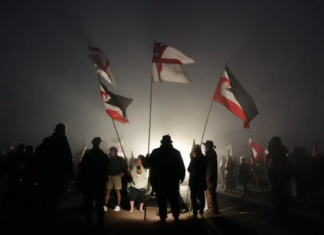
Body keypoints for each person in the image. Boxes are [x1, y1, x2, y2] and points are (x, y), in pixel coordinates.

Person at [35, 123, 74, 223]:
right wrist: (71, 174)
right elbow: (68, 158)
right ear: (63, 131)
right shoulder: (62, 141)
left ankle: (42, 217)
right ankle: (50, 219)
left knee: (45, 197)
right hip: (58, 175)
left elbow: (38, 155)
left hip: (46, 174)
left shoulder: (47, 141)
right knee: (55, 198)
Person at [144, 135, 185, 225]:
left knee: (161, 200)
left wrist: (146, 159)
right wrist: (182, 176)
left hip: (159, 180)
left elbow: (147, 166)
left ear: (161, 142)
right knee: (174, 199)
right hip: (172, 180)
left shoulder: (156, 152)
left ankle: (163, 219)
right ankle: (176, 218)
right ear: (170, 142)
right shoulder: (175, 152)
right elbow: (181, 166)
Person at [78, 137, 109, 227]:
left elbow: (81, 168)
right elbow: (106, 169)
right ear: (100, 144)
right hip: (98, 182)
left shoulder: (87, 156)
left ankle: (88, 222)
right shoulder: (103, 156)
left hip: (88, 182)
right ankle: (100, 223)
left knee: (88, 204)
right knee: (99, 203)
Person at [266, 136, 290, 219]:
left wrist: (269, 173)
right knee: (280, 194)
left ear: (276, 143)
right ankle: (282, 211)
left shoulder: (277, 153)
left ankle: (280, 214)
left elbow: (275, 166)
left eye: (272, 142)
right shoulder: (280, 151)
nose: (271, 144)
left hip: (278, 178)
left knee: (278, 195)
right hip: (280, 177)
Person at [104, 146, 127, 212]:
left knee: (118, 191)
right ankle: (105, 204)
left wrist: (123, 172)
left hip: (117, 176)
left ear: (115, 152)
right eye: (110, 151)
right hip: (110, 176)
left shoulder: (120, 159)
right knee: (108, 191)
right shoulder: (108, 159)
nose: (111, 152)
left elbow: (125, 166)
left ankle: (118, 205)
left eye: (112, 151)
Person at [188, 145, 207, 219]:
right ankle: (201, 212)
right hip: (202, 180)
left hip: (194, 181)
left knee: (193, 197)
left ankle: (195, 213)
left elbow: (189, 169)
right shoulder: (204, 158)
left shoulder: (195, 159)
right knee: (201, 197)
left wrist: (192, 159)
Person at [203, 140, 219, 213]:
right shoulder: (210, 153)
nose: (205, 147)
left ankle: (213, 208)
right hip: (210, 175)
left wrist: (209, 175)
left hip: (210, 176)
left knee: (211, 192)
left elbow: (211, 166)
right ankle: (211, 207)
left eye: (206, 146)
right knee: (210, 192)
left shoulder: (211, 153)